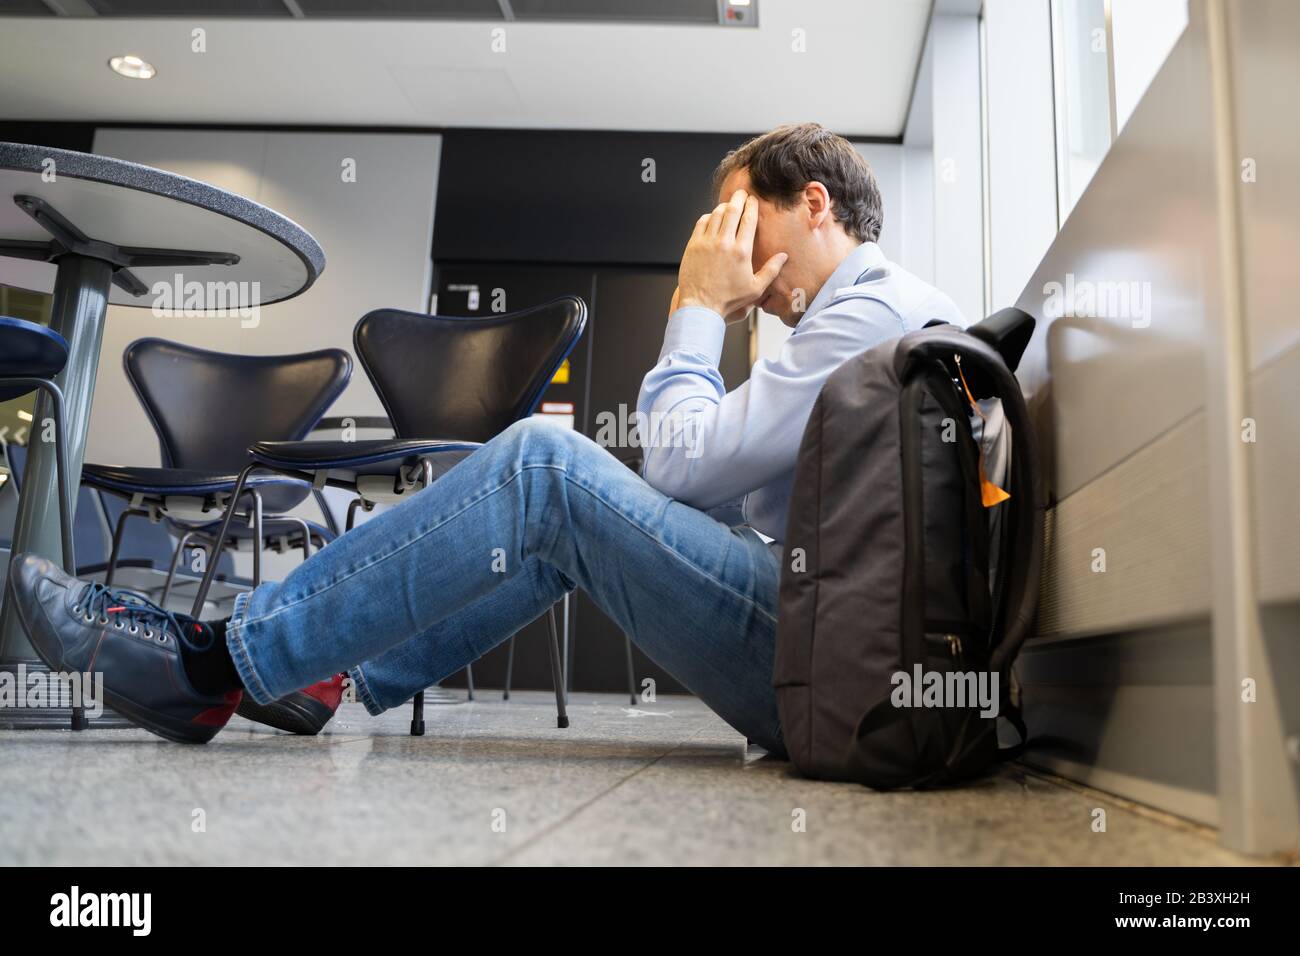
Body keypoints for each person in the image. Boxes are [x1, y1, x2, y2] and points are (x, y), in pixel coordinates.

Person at [8, 123, 966, 750]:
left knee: (546, 467)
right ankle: (325, 671)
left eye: (738, 222)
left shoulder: (869, 313)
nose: (730, 251)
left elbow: (676, 465)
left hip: (836, 674)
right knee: (558, 523)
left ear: (815, 204)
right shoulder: (872, 317)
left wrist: (693, 309)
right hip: (834, 654)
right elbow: (695, 493)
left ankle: (209, 667)